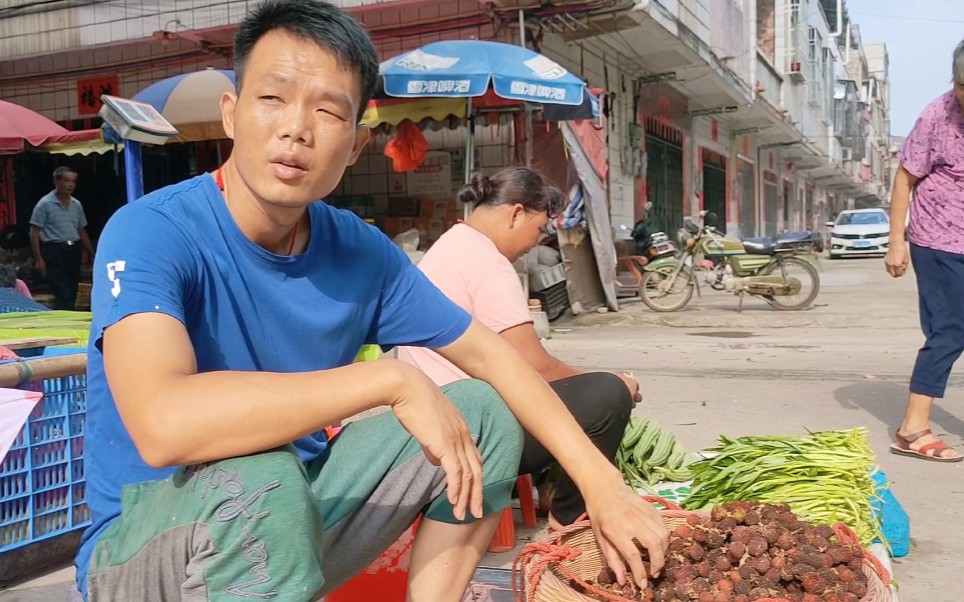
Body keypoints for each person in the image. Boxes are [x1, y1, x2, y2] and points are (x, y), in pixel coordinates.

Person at [73, 2, 669, 600]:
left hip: (294, 511)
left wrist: (601, 483)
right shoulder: (150, 230)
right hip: (143, 549)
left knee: (484, 413)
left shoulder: (358, 250)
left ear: (356, 144)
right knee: (263, 478)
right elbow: (163, 425)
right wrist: (390, 382)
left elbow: (494, 357)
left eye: (327, 110)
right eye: (273, 99)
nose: (296, 129)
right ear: (231, 115)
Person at [398, 171, 640, 529]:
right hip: (469, 433)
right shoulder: (488, 264)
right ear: (516, 214)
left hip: (434, 420)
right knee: (608, 395)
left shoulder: (450, 245)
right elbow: (536, 367)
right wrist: (616, 380)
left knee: (566, 392)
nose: (536, 240)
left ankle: (550, 492)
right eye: (540, 227)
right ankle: (570, 520)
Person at [885, 38, 964, 463]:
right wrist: (896, 241)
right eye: (961, 85)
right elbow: (904, 179)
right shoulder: (938, 114)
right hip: (939, 240)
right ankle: (912, 429)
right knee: (950, 330)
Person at [29, 166, 95, 310]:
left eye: (73, 181)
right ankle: (67, 314)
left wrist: (91, 252)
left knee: (73, 285)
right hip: (54, 249)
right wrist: (38, 258)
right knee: (61, 287)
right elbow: (34, 231)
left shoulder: (76, 204)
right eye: (66, 181)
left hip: (73, 249)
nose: (71, 185)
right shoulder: (45, 204)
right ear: (56, 182)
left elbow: (81, 229)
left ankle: (68, 312)